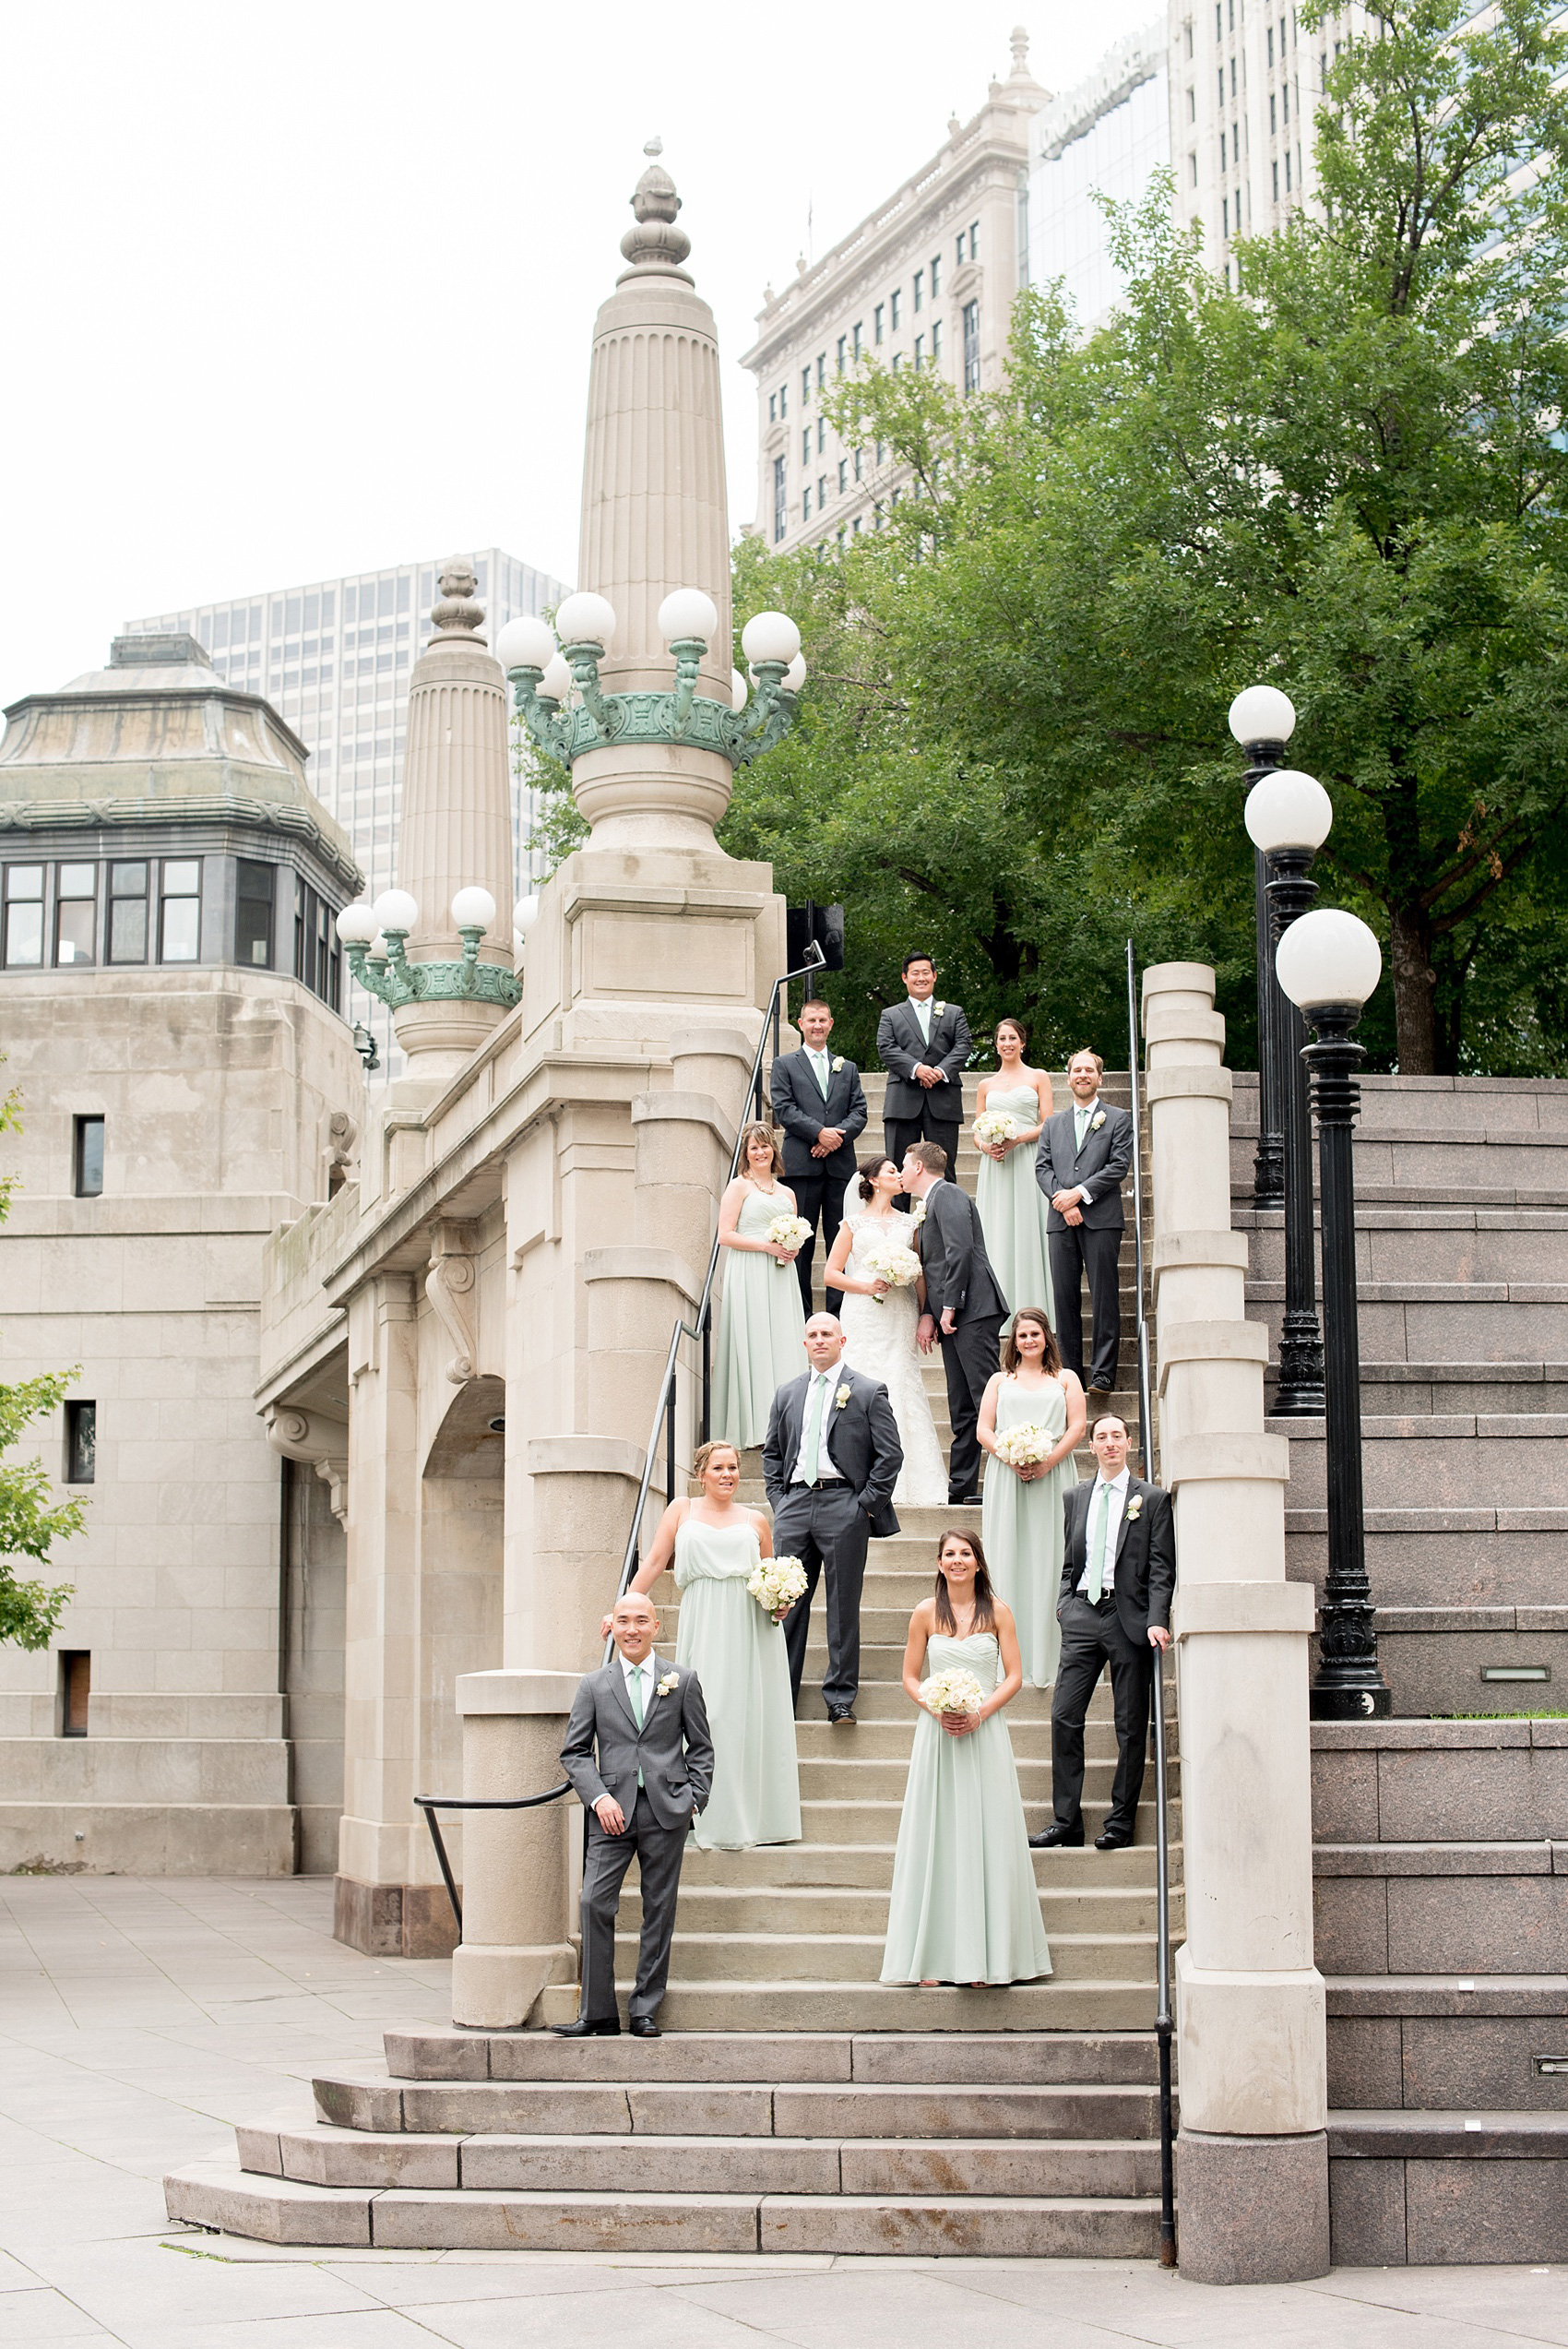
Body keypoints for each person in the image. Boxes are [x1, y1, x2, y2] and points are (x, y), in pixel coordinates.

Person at [881, 1528, 1051, 1987]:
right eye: (949, 1554)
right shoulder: (923, 1613)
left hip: (985, 1731)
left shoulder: (998, 1612)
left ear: (978, 1562)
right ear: (939, 1563)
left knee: (984, 1834)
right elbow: (910, 1678)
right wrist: (935, 1706)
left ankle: (986, 1958)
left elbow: (1014, 1676)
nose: (958, 1560)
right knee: (936, 1835)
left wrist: (979, 1712)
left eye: (966, 1553)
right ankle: (932, 1959)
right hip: (936, 1734)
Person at [614, 1440, 800, 1852]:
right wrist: (622, 1609)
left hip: (750, 1629)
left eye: (733, 1467)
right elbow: (654, 1561)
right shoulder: (681, 1509)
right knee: (705, 1713)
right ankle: (700, 1810)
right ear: (702, 1474)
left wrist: (781, 1601)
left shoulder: (756, 1521)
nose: (728, 1475)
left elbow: (772, 1577)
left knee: (743, 1715)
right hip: (703, 1620)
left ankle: (753, 1815)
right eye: (718, 1468)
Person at [556, 1589, 714, 2038]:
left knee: (658, 1909)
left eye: (641, 1621)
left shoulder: (682, 1680)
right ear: (615, 1625)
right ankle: (598, 2013)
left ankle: (645, 2007)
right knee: (593, 1902)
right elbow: (575, 1752)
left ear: (655, 1627)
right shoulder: (594, 1684)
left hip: (667, 1812)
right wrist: (598, 1797)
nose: (632, 1629)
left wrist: (693, 1799)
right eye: (624, 1620)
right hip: (611, 1813)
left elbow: (701, 1748)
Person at [1031, 1413, 1174, 1854]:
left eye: (1117, 1436)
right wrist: (1064, 1603)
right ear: (1090, 1447)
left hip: (1128, 1619)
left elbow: (1161, 1568)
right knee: (1063, 1716)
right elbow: (1071, 1561)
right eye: (1101, 1437)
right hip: (1081, 1616)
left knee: (1130, 1726)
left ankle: (1120, 1822)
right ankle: (1066, 1821)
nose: (1109, 1443)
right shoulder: (1075, 1497)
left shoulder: (1151, 1499)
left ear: (1129, 1443)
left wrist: (1157, 1618)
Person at [764, 1312, 903, 1724]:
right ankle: (780, 1694)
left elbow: (889, 1455)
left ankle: (839, 1697)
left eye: (827, 1334)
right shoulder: (786, 1393)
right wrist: (778, 1498)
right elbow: (773, 1453)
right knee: (785, 1604)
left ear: (842, 1340)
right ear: (804, 1343)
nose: (819, 1340)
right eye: (812, 1335)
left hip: (844, 1504)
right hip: (793, 1506)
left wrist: (865, 1507)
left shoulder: (867, 1391)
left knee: (843, 1606)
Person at [825, 1154, 946, 1507]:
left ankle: (911, 1480)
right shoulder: (852, 1224)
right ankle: (855, 1470)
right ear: (874, 1180)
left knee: (900, 1381)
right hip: (863, 1311)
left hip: (901, 1310)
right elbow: (830, 1274)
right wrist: (867, 1287)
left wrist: (926, 1314)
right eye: (892, 1171)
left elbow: (921, 1273)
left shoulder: (911, 1223)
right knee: (861, 1379)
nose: (899, 1175)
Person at [978, 1308, 1085, 1688]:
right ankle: (1006, 1656)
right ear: (1014, 1341)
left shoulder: (1066, 1379)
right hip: (1007, 1476)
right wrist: (1011, 1457)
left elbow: (1077, 1426)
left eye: (1035, 1334)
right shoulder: (999, 1380)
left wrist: (1047, 1461)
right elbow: (983, 1430)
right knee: (1007, 1554)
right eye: (1022, 1335)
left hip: (1054, 1475)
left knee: (1051, 1555)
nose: (1028, 1341)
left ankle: (1051, 1654)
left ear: (1046, 1337)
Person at [904, 1140, 1009, 1506]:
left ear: (918, 1167)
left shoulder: (946, 1193)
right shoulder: (930, 1202)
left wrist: (950, 1306)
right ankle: (962, 1486)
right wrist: (932, 1312)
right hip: (956, 1314)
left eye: (904, 1166)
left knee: (986, 1397)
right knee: (961, 1405)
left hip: (973, 1309)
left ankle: (1006, 1477)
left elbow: (959, 1250)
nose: (901, 1173)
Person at [1034, 1049, 1134, 1401]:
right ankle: (1071, 1372)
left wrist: (1079, 1195)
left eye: (1089, 1070)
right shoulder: (1053, 1124)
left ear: (1099, 1078)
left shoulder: (1118, 1118)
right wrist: (1062, 1200)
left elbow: (1118, 1165)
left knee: (1105, 1296)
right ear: (1068, 1077)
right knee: (1063, 1297)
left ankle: (1104, 1374)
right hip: (1060, 1221)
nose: (1082, 1075)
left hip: (1101, 1219)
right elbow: (1042, 1169)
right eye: (1077, 1069)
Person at [711, 1122, 807, 1450]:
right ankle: (754, 1426)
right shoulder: (738, 1187)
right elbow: (725, 1234)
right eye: (754, 1147)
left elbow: (795, 1230)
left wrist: (792, 1247)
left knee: (782, 1340)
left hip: (781, 1273)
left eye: (765, 1146)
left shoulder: (787, 1193)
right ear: (746, 1154)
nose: (760, 1152)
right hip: (749, 1269)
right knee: (753, 1340)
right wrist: (766, 1246)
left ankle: (787, 1425)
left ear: (774, 1150)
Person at [770, 998, 870, 1315]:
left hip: (840, 1168)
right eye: (811, 1020)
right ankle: (801, 1315)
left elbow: (859, 1112)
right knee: (801, 1244)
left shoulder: (847, 1067)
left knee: (841, 1241)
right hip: (801, 1166)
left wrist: (833, 1138)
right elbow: (784, 1108)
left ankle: (839, 1314)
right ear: (801, 1024)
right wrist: (818, 1133)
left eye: (822, 1020)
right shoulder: (785, 1064)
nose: (817, 1025)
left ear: (831, 1024)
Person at [974, 1018, 1055, 1330]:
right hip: (995, 1163)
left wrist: (1017, 1139)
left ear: (1022, 1042)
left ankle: (1033, 1309)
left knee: (1027, 1224)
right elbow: (976, 1130)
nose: (1007, 1043)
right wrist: (986, 1147)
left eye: (1012, 1038)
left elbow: (1048, 1123)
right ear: (996, 1044)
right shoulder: (985, 1085)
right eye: (1001, 1038)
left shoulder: (1039, 1077)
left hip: (1026, 1157)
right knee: (997, 1227)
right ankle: (997, 1308)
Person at [877, 954, 972, 1205]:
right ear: (904, 978)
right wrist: (917, 1068)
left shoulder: (954, 1013)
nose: (921, 978)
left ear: (934, 976)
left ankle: (944, 1227)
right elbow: (886, 1047)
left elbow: (963, 1045)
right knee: (898, 1172)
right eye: (915, 973)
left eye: (925, 972)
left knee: (944, 1169)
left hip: (943, 1101)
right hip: (903, 1102)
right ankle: (900, 1234)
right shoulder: (891, 1014)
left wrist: (939, 1072)